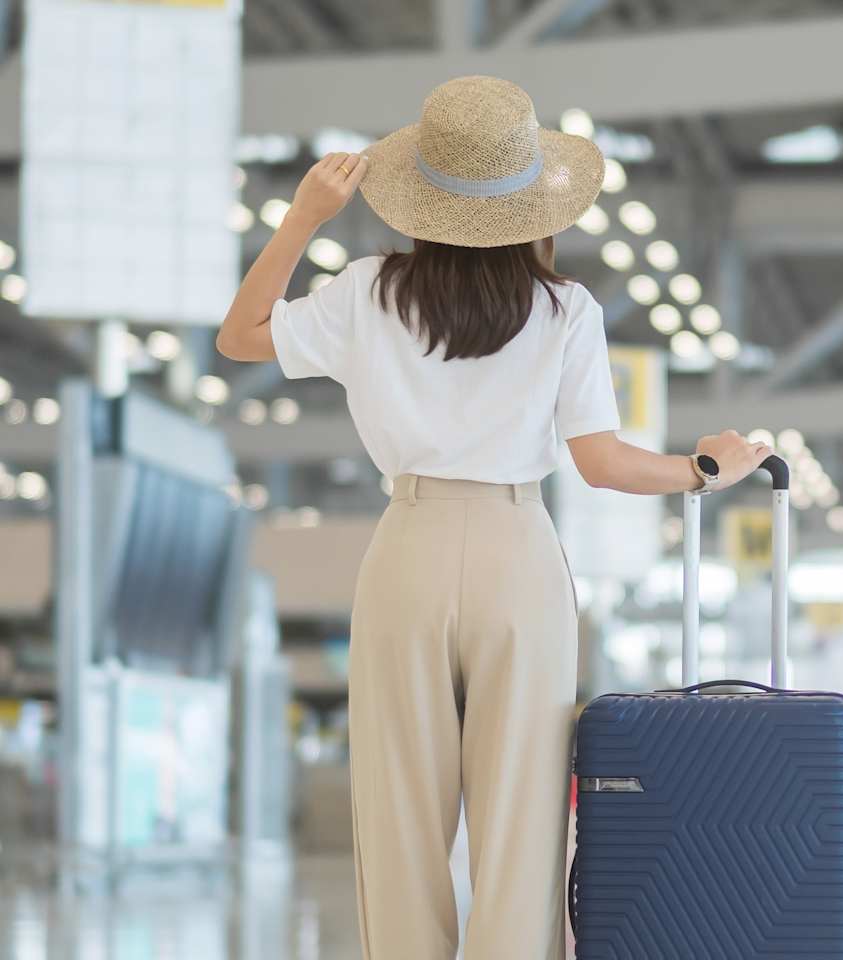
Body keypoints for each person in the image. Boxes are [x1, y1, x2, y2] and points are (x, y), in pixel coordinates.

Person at [216, 75, 773, 960]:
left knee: (400, 807)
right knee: (522, 817)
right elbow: (601, 463)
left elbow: (241, 335)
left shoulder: (366, 293)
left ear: (419, 199)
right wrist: (705, 470)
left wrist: (303, 218)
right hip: (520, 553)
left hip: (407, 546)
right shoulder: (565, 311)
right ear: (529, 204)